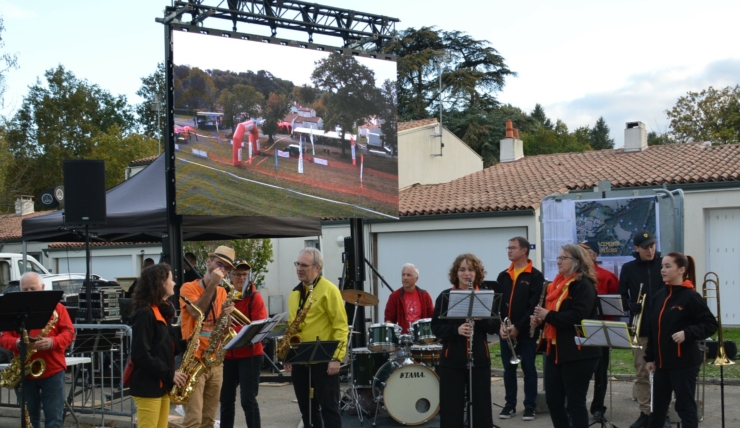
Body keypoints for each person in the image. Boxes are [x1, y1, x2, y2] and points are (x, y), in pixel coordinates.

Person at [530, 244, 601, 428]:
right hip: (555, 351)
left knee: (575, 403)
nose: (559, 261)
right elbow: (554, 317)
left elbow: (579, 316)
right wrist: (540, 322)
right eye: (559, 257)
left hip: (578, 353)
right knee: (554, 402)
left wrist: (548, 316)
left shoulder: (583, 285)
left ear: (577, 262)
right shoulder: (556, 285)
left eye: (564, 258)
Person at [644, 253, 717, 428]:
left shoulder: (691, 296)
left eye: (668, 266)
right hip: (662, 364)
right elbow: (654, 330)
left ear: (681, 270)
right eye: (662, 266)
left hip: (684, 362)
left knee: (684, 406)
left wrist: (688, 332)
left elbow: (710, 324)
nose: (663, 270)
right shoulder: (659, 296)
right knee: (658, 408)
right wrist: (650, 357)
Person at [431, 253, 499, 428]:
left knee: (481, 406)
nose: (466, 273)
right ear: (456, 272)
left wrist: (481, 319)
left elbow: (494, 326)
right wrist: (457, 330)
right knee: (451, 406)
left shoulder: (484, 296)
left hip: (479, 358)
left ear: (477, 273)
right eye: (462, 269)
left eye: (470, 269)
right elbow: (436, 327)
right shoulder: (446, 296)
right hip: (451, 359)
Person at [0, 272, 75, 428]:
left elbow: (69, 333)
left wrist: (52, 342)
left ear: (42, 287)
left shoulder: (58, 308)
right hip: (24, 372)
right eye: (25, 289)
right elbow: (4, 337)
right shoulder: (15, 309)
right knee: (29, 421)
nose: (28, 293)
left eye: (32, 289)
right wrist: (17, 342)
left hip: (53, 370)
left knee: (54, 419)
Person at [284, 248, 348, 428]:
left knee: (329, 408)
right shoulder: (295, 293)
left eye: (304, 265)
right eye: (297, 264)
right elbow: (292, 328)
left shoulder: (330, 290)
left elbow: (340, 326)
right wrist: (289, 355)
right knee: (307, 410)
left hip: (324, 359)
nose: (299, 268)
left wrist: (336, 358)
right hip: (300, 359)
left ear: (317, 268)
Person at [179, 245, 236, 428]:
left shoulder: (222, 292)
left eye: (226, 268)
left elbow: (224, 329)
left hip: (214, 360)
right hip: (194, 358)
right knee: (193, 420)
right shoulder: (188, 287)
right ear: (208, 261)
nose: (222, 271)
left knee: (209, 420)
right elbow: (197, 314)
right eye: (219, 264)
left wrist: (227, 314)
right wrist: (212, 284)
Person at [129, 264, 187, 428]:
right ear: (161, 283)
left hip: (161, 384)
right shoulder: (145, 313)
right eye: (171, 279)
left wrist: (188, 342)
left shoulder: (158, 311)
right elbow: (141, 354)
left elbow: (167, 346)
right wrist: (170, 374)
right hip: (149, 386)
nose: (174, 283)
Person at [618, 231, 664, 428]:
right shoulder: (628, 268)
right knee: (642, 372)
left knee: (665, 374)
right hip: (641, 328)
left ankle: (663, 413)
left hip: (664, 327)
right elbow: (621, 296)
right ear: (636, 248)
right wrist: (629, 305)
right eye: (646, 247)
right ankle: (645, 412)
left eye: (652, 245)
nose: (650, 250)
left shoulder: (664, 264)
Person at [496, 236, 544, 421]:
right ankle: (509, 405)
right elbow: (498, 305)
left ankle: (530, 407)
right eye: (508, 248)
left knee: (529, 369)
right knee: (509, 369)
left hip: (525, 332)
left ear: (524, 250)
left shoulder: (535, 276)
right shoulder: (503, 275)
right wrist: (502, 325)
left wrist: (518, 327)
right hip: (506, 331)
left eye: (513, 248)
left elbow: (534, 305)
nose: (509, 251)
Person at [220, 260, 268, 428]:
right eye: (237, 274)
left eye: (244, 274)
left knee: (248, 399)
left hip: (250, 355)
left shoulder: (255, 297)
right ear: (230, 276)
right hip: (228, 355)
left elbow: (258, 326)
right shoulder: (223, 296)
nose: (241, 278)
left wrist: (233, 328)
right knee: (225, 399)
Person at [579, 241, 619, 422]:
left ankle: (598, 407)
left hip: (600, 329)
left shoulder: (608, 276)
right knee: (578, 372)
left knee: (601, 372)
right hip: (579, 329)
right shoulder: (573, 277)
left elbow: (617, 306)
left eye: (585, 251)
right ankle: (576, 405)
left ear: (594, 256)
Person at [384, 263, 434, 334]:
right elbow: (389, 320)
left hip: (421, 338)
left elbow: (432, 318)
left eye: (408, 275)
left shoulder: (425, 296)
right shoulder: (394, 296)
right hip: (402, 338)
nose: (405, 278)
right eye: (403, 275)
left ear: (416, 278)